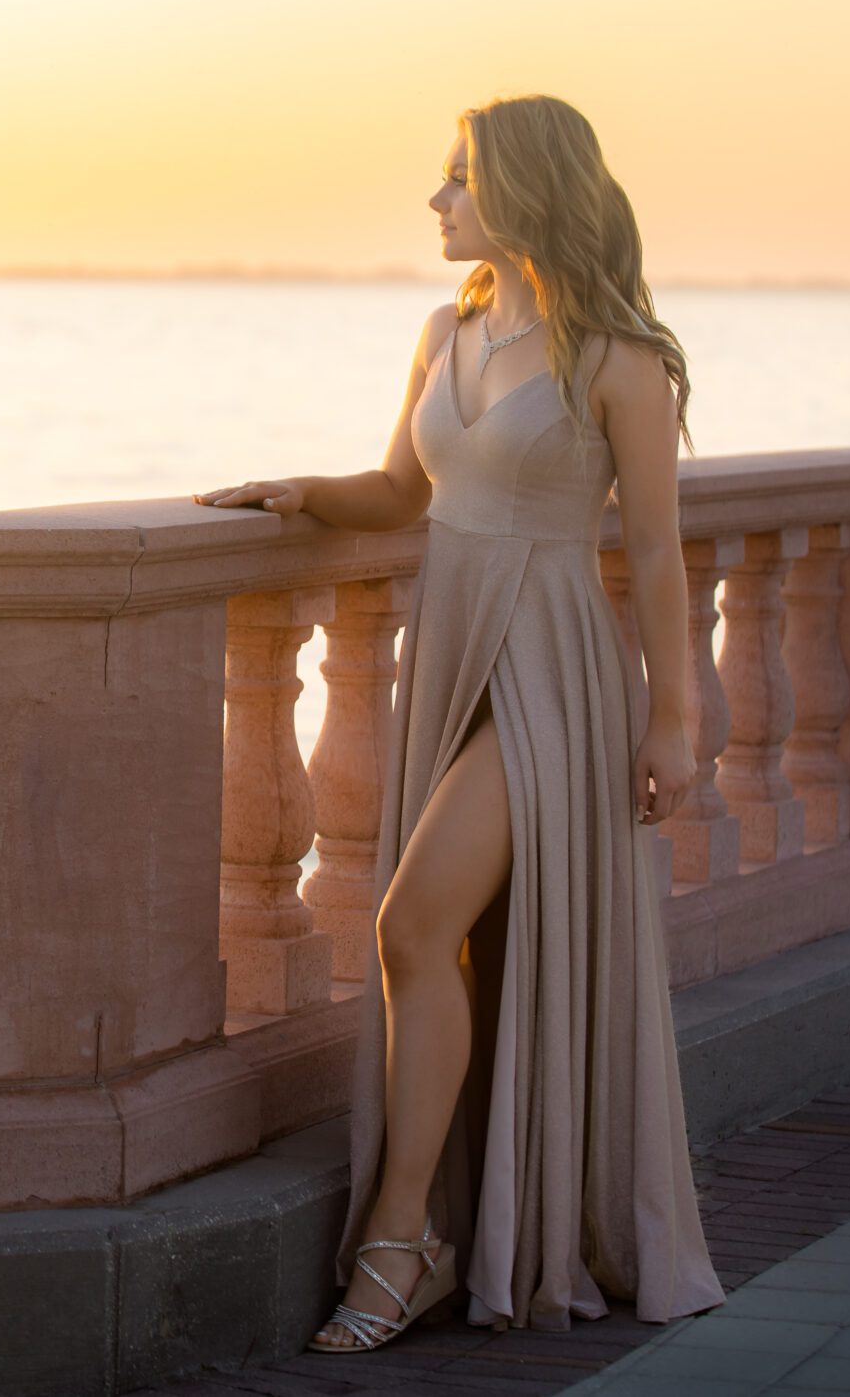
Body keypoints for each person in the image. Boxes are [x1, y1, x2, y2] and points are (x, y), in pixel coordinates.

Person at [193, 93, 726, 1350]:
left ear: (525, 190)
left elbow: (653, 552)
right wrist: (297, 492)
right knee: (444, 939)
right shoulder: (448, 329)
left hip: (551, 671)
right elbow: (396, 487)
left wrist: (672, 721)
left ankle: (402, 1237)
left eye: (456, 179)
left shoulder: (621, 358)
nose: (436, 201)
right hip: (450, 654)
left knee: (408, 919)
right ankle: (437, 1230)